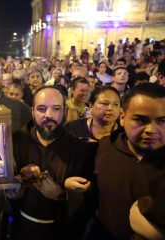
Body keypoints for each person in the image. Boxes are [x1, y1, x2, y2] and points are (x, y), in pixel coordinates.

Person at [8, 86, 96, 240]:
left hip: (60, 231)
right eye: (41, 109)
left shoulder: (80, 149)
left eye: (56, 109)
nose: (49, 115)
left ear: (65, 111)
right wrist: (12, 193)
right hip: (21, 227)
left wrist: (61, 195)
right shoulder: (15, 142)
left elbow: (90, 201)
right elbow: (4, 195)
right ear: (32, 111)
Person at [88, 83, 165, 240]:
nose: (152, 129)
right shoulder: (104, 147)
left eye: (162, 121)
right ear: (123, 118)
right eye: (140, 120)